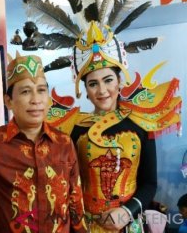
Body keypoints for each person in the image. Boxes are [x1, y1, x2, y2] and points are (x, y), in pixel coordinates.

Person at [47, 21, 182, 232]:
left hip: (129, 223)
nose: (102, 90)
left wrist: (127, 211)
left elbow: (149, 183)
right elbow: (67, 184)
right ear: (85, 90)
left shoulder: (141, 122)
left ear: (120, 81)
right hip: (86, 225)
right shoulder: (73, 127)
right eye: (93, 84)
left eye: (108, 80)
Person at [0, 52, 87, 233]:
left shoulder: (63, 142)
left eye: (41, 90)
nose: (36, 100)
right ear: (8, 101)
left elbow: (76, 205)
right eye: (26, 91)